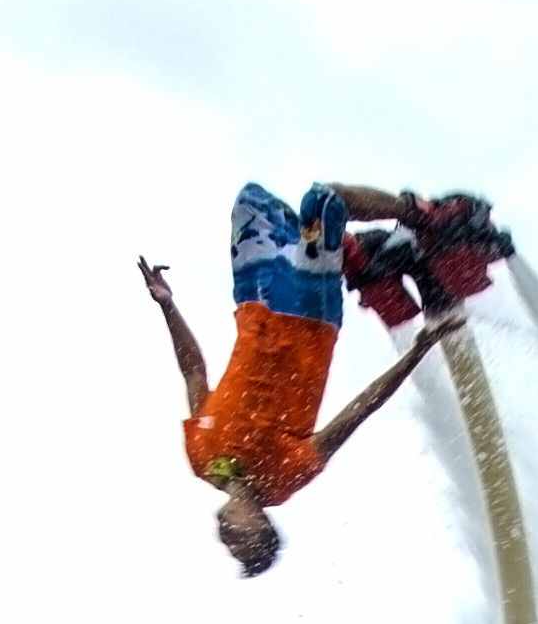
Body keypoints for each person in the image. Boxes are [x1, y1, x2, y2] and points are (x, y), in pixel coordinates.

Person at [137, 182, 506, 576]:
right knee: (324, 202)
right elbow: (360, 410)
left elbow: (193, 370)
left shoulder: (201, 458)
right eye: (241, 545)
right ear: (262, 525)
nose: (227, 542)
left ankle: (357, 254)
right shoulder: (284, 477)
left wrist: (167, 305)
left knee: (251, 201)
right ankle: (424, 218)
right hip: (309, 311)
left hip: (255, 300)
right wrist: (415, 354)